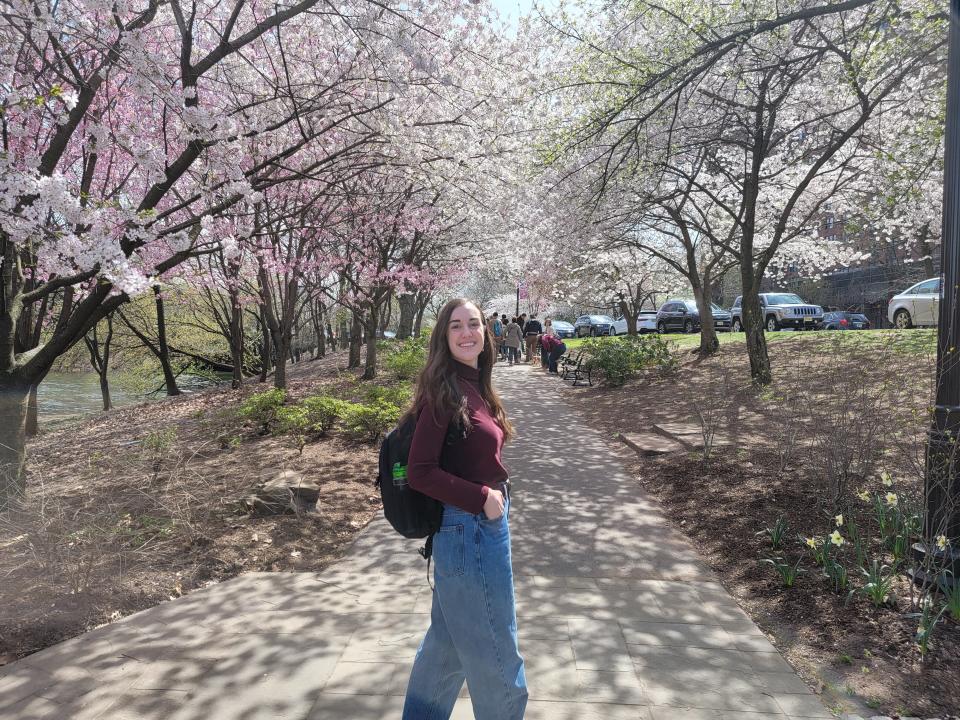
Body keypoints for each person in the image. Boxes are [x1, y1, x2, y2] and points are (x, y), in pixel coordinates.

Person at [401, 298, 527, 720]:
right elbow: (419, 472)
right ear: (444, 336)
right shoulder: (444, 391)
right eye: (456, 325)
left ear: (486, 332)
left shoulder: (475, 384)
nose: (467, 332)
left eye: (474, 323)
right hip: (470, 529)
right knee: (496, 653)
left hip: (472, 531)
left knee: (448, 647)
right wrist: (484, 500)